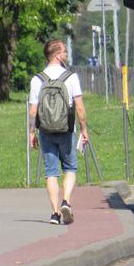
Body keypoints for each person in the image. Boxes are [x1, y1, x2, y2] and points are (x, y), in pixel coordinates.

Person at [29, 39, 88, 225]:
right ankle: (66, 201)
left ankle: (55, 214)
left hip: (45, 130)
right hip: (67, 129)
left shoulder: (37, 79)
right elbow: (79, 107)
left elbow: (32, 111)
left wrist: (32, 133)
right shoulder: (71, 77)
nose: (66, 55)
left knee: (51, 173)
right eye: (64, 52)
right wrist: (84, 129)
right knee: (70, 168)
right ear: (57, 55)